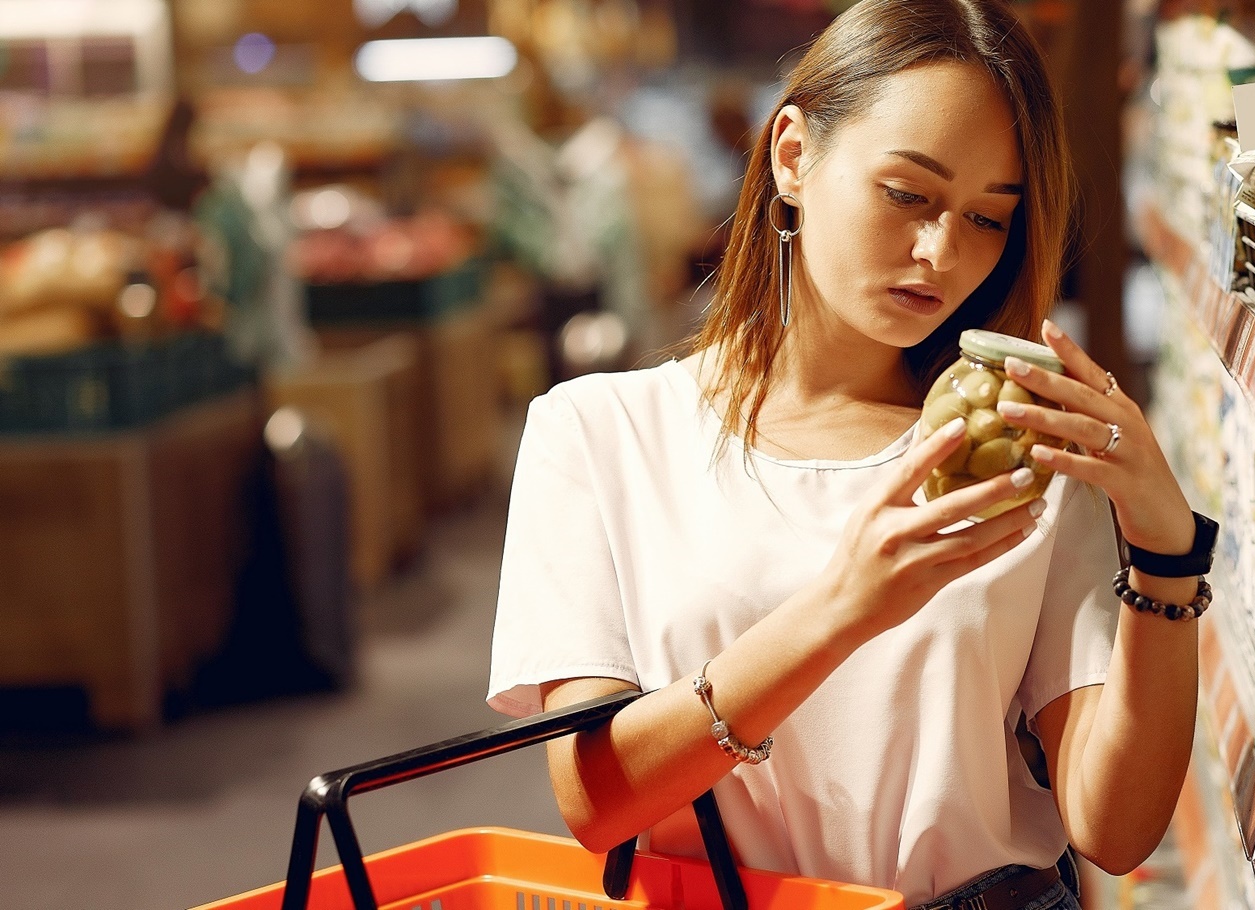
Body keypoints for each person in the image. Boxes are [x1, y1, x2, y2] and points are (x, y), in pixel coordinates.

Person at [488, 2, 1211, 908]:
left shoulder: (1008, 458)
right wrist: (845, 605)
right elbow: (595, 801)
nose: (941, 252)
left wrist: (1165, 546)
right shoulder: (599, 434)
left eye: (989, 219)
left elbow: (1113, 828)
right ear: (792, 155)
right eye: (907, 194)